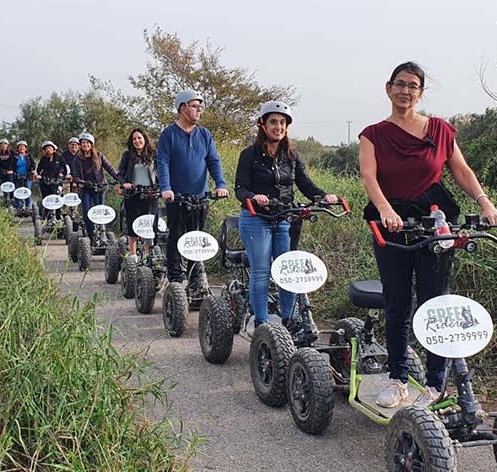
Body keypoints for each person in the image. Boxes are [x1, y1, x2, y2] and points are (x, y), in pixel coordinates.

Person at [358, 61, 497, 408]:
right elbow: (369, 177)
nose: (405, 90)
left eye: (413, 85)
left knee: (435, 302)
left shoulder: (439, 130)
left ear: (420, 92)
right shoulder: (373, 134)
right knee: (397, 303)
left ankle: (436, 382)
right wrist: (386, 210)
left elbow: (462, 171)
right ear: (388, 88)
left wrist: (486, 205)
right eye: (400, 84)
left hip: (435, 218)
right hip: (392, 223)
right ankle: (397, 379)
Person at [235, 101, 338, 330]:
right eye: (273, 122)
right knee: (261, 271)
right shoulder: (249, 155)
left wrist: (324, 196)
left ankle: (288, 320)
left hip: (284, 219)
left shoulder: (291, 155)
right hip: (256, 219)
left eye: (282, 123)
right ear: (262, 125)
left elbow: (305, 184)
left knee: (288, 271)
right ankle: (262, 323)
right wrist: (254, 197)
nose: (278, 127)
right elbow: (240, 189)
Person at [156, 89, 229, 283]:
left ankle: (195, 278)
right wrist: (166, 187)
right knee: (176, 237)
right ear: (183, 108)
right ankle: (176, 279)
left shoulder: (204, 134)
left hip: (201, 196)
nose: (199, 110)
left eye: (200, 107)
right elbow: (162, 163)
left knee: (197, 240)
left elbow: (213, 161)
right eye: (195, 106)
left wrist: (220, 184)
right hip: (177, 197)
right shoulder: (168, 134)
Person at [117, 128, 159, 257]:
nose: (137, 141)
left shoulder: (154, 154)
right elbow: (120, 174)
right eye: (134, 139)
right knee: (133, 224)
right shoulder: (127, 155)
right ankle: (133, 255)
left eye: (139, 138)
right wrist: (124, 184)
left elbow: (161, 172)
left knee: (149, 225)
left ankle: (147, 254)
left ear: (145, 139)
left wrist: (161, 186)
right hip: (133, 194)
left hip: (150, 194)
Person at [71, 132, 119, 240]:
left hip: (99, 186)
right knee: (87, 211)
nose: (85, 145)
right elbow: (76, 175)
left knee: (101, 211)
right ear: (80, 145)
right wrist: (81, 181)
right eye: (83, 143)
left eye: (87, 143)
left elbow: (110, 168)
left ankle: (102, 232)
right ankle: (91, 235)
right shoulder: (77, 159)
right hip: (86, 188)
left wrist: (119, 178)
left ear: (91, 144)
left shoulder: (99, 155)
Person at [36, 140, 67, 217]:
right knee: (46, 198)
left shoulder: (59, 158)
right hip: (45, 181)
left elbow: (64, 168)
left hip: (57, 181)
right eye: (46, 148)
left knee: (57, 198)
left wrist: (61, 176)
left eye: (50, 148)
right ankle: (47, 215)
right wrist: (39, 175)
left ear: (53, 149)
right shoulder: (43, 159)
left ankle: (58, 215)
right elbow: (39, 170)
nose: (48, 149)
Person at [9, 140, 35, 210]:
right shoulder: (15, 157)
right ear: (18, 148)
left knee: (27, 191)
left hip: (27, 176)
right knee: (17, 191)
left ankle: (28, 206)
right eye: (20, 147)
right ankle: (17, 206)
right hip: (17, 175)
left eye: (23, 147)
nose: (22, 148)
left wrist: (33, 170)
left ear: (26, 148)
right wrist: (11, 170)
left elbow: (33, 164)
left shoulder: (28, 156)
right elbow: (11, 165)